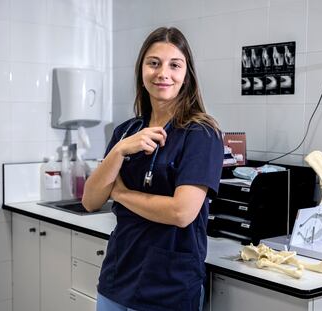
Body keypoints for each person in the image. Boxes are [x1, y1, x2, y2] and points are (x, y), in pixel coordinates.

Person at [82, 26, 224, 311]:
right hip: (117, 277)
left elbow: (181, 213)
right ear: (141, 70)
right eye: (154, 63)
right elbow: (90, 200)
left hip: (167, 287)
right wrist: (120, 150)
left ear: (187, 74)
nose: (163, 74)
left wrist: (120, 195)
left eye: (175, 65)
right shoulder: (127, 131)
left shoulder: (201, 134)